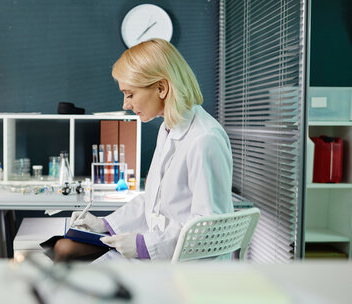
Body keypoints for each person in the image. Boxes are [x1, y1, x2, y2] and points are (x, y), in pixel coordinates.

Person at [53, 39, 233, 261]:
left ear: (161, 88)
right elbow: (154, 201)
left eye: (129, 94)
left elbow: (209, 228)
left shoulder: (204, 139)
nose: (125, 105)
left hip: (186, 266)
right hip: (163, 252)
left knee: (69, 256)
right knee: (65, 248)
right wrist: (104, 224)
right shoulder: (169, 129)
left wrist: (143, 245)